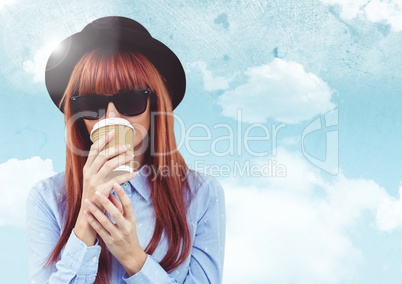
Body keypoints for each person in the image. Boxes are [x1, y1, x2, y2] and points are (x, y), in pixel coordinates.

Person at [26, 16, 226, 284]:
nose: (111, 117)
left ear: (154, 106)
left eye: (130, 100)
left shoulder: (201, 194)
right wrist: (86, 221)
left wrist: (133, 257)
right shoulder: (47, 198)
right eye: (91, 103)